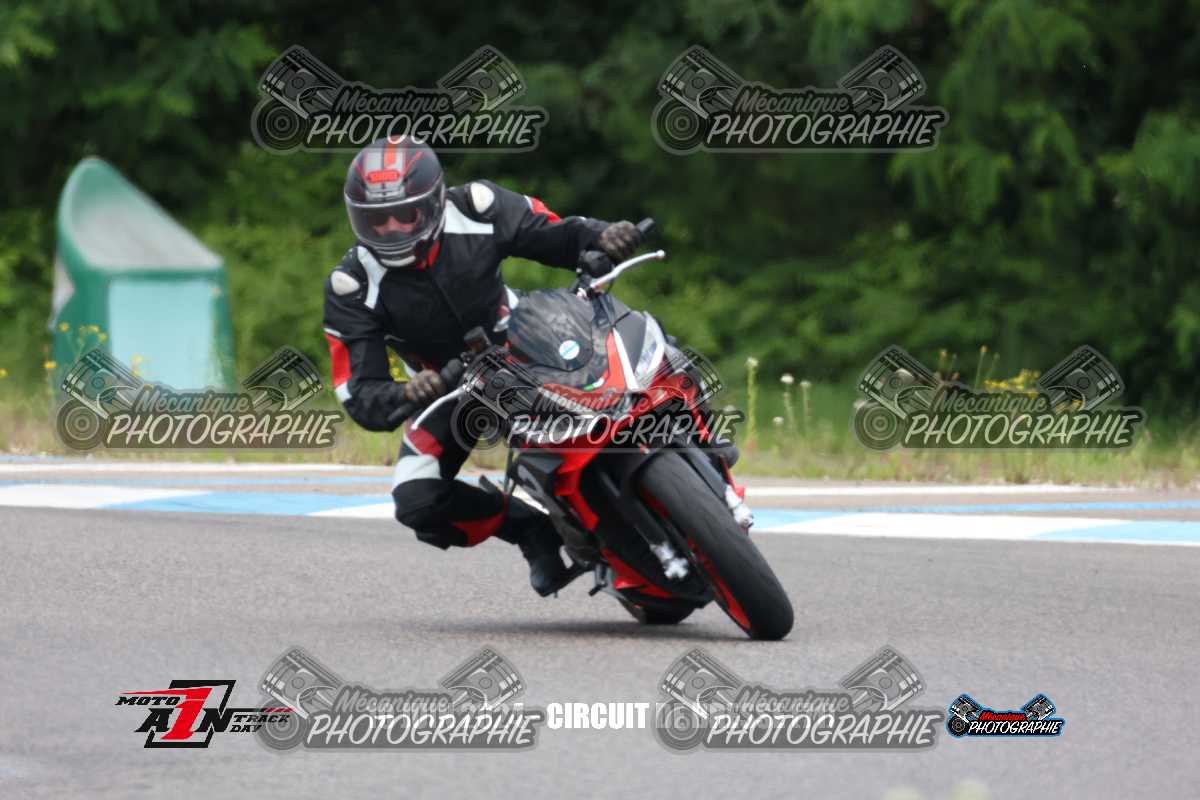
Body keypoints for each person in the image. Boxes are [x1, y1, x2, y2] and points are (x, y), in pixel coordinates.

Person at [323, 136, 640, 596]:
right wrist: (409, 391)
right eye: (376, 220)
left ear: (432, 203)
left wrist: (604, 237)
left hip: (529, 340)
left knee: (625, 337)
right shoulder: (351, 285)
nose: (390, 229)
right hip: (452, 388)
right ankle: (530, 529)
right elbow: (361, 392)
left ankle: (696, 429)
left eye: (404, 215)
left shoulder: (477, 206)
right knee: (415, 498)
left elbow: (558, 234)